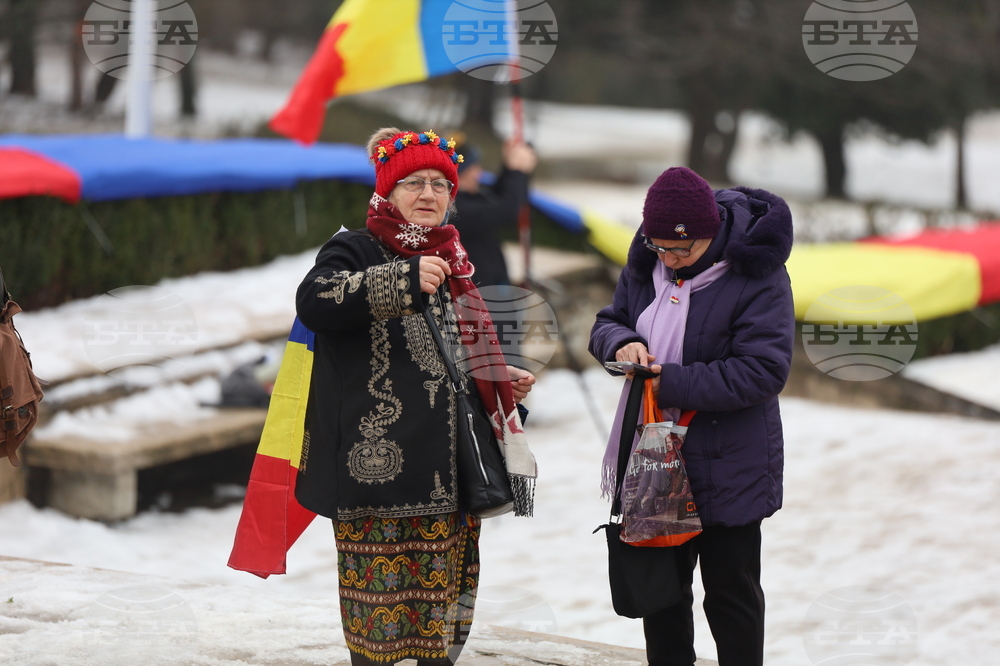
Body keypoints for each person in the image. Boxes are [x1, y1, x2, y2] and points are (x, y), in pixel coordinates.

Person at [294, 127, 538, 665]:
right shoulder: (355, 248)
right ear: (387, 191)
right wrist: (401, 280)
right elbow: (315, 300)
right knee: (376, 632)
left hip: (449, 478)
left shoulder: (456, 261)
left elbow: (459, 356)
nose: (428, 195)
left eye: (439, 184)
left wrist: (499, 383)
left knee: (444, 634)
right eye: (412, 184)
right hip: (377, 477)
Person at [589, 166, 794, 666]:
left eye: (683, 250)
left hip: (732, 465)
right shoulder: (646, 263)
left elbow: (764, 370)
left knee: (731, 596)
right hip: (656, 460)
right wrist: (624, 343)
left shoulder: (757, 274)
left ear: (713, 232)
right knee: (662, 595)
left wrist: (668, 380)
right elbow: (608, 321)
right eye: (661, 247)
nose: (671, 259)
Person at [450, 135, 537, 288]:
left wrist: (512, 167)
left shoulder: (471, 197)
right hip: (479, 294)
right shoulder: (455, 210)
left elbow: (502, 195)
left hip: (493, 284)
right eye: (474, 167)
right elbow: (506, 209)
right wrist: (517, 171)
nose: (479, 173)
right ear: (460, 173)